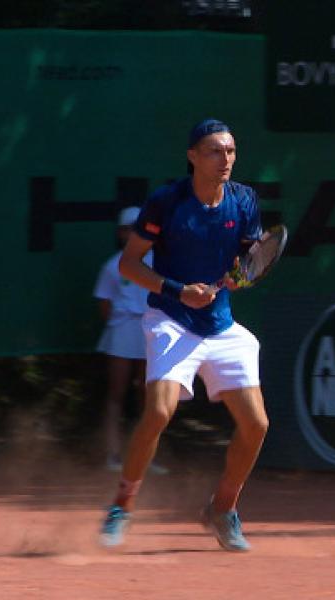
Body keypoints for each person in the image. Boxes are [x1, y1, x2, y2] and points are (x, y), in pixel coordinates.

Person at [98, 118, 269, 552]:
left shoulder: (244, 200)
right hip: (170, 320)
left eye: (230, 151)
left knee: (257, 424)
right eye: (214, 151)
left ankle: (223, 509)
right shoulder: (166, 202)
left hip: (221, 325)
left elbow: (247, 263)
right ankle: (122, 505)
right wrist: (178, 291)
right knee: (158, 412)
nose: (225, 159)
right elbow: (129, 264)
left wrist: (239, 278)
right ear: (193, 156)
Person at [92, 207, 168, 475]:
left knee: (149, 397)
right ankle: (112, 454)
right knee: (116, 394)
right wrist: (124, 327)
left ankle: (147, 457)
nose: (135, 233)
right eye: (129, 228)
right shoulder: (111, 267)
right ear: (122, 233)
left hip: (152, 332)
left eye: (140, 227)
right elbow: (104, 305)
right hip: (122, 332)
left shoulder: (162, 264)